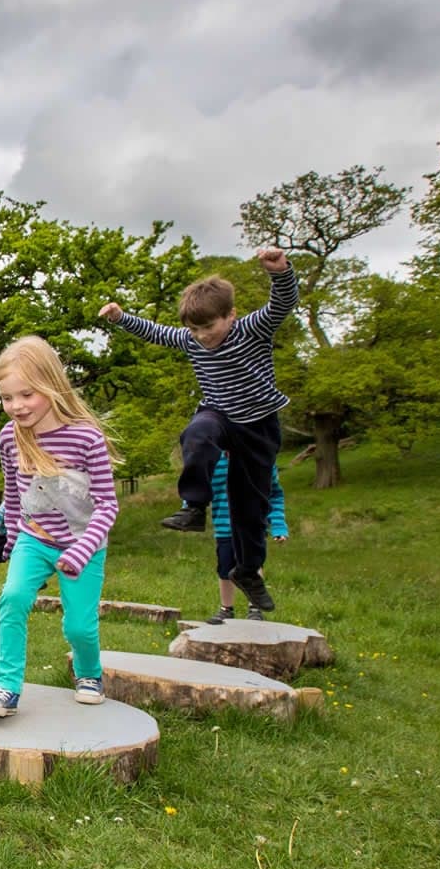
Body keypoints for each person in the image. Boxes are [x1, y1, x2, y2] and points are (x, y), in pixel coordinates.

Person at [99, 247, 297, 613]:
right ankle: (194, 505)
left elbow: (281, 305)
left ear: (230, 315)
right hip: (219, 414)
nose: (203, 336)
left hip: (257, 425)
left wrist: (280, 271)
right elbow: (157, 333)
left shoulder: (252, 329)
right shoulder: (190, 339)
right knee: (196, 434)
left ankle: (249, 571)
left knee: (250, 510)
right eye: (195, 329)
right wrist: (121, 318)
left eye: (209, 327)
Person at [0, 336, 119, 717]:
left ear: (51, 385)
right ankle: (6, 688)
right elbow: (13, 492)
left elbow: (107, 506)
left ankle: (89, 674)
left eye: (27, 394)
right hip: (34, 541)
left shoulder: (87, 437)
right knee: (13, 599)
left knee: (79, 628)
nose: (16, 406)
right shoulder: (9, 437)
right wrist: (10, 543)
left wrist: (81, 550)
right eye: (7, 398)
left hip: (84, 544)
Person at [204, 453, 288, 623]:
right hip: (224, 526)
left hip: (253, 525)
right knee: (225, 566)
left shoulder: (261, 459)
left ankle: (255, 608)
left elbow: (274, 495)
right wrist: (189, 508)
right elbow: (199, 487)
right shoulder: (212, 460)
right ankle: (226, 608)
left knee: (253, 565)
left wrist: (278, 526)